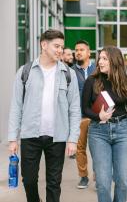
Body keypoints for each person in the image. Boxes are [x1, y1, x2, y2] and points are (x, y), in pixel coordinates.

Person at [8, 29, 81, 202]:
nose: (60, 51)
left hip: (58, 137)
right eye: (56, 46)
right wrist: (13, 138)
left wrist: (73, 139)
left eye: (62, 47)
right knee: (29, 180)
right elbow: (16, 106)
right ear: (44, 45)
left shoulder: (68, 74)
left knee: (54, 183)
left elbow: (75, 109)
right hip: (30, 136)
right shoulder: (25, 72)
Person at [82, 46, 127, 202]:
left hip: (122, 131)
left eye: (104, 59)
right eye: (99, 58)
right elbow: (84, 109)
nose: (100, 62)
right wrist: (97, 115)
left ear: (114, 61)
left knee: (123, 179)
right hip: (98, 132)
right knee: (103, 182)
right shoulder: (92, 81)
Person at [71, 40, 96, 189]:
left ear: (89, 52)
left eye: (81, 49)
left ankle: (99, 176)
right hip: (79, 117)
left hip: (96, 116)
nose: (78, 52)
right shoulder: (71, 71)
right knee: (80, 148)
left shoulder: (97, 69)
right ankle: (83, 177)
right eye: (76, 49)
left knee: (98, 149)